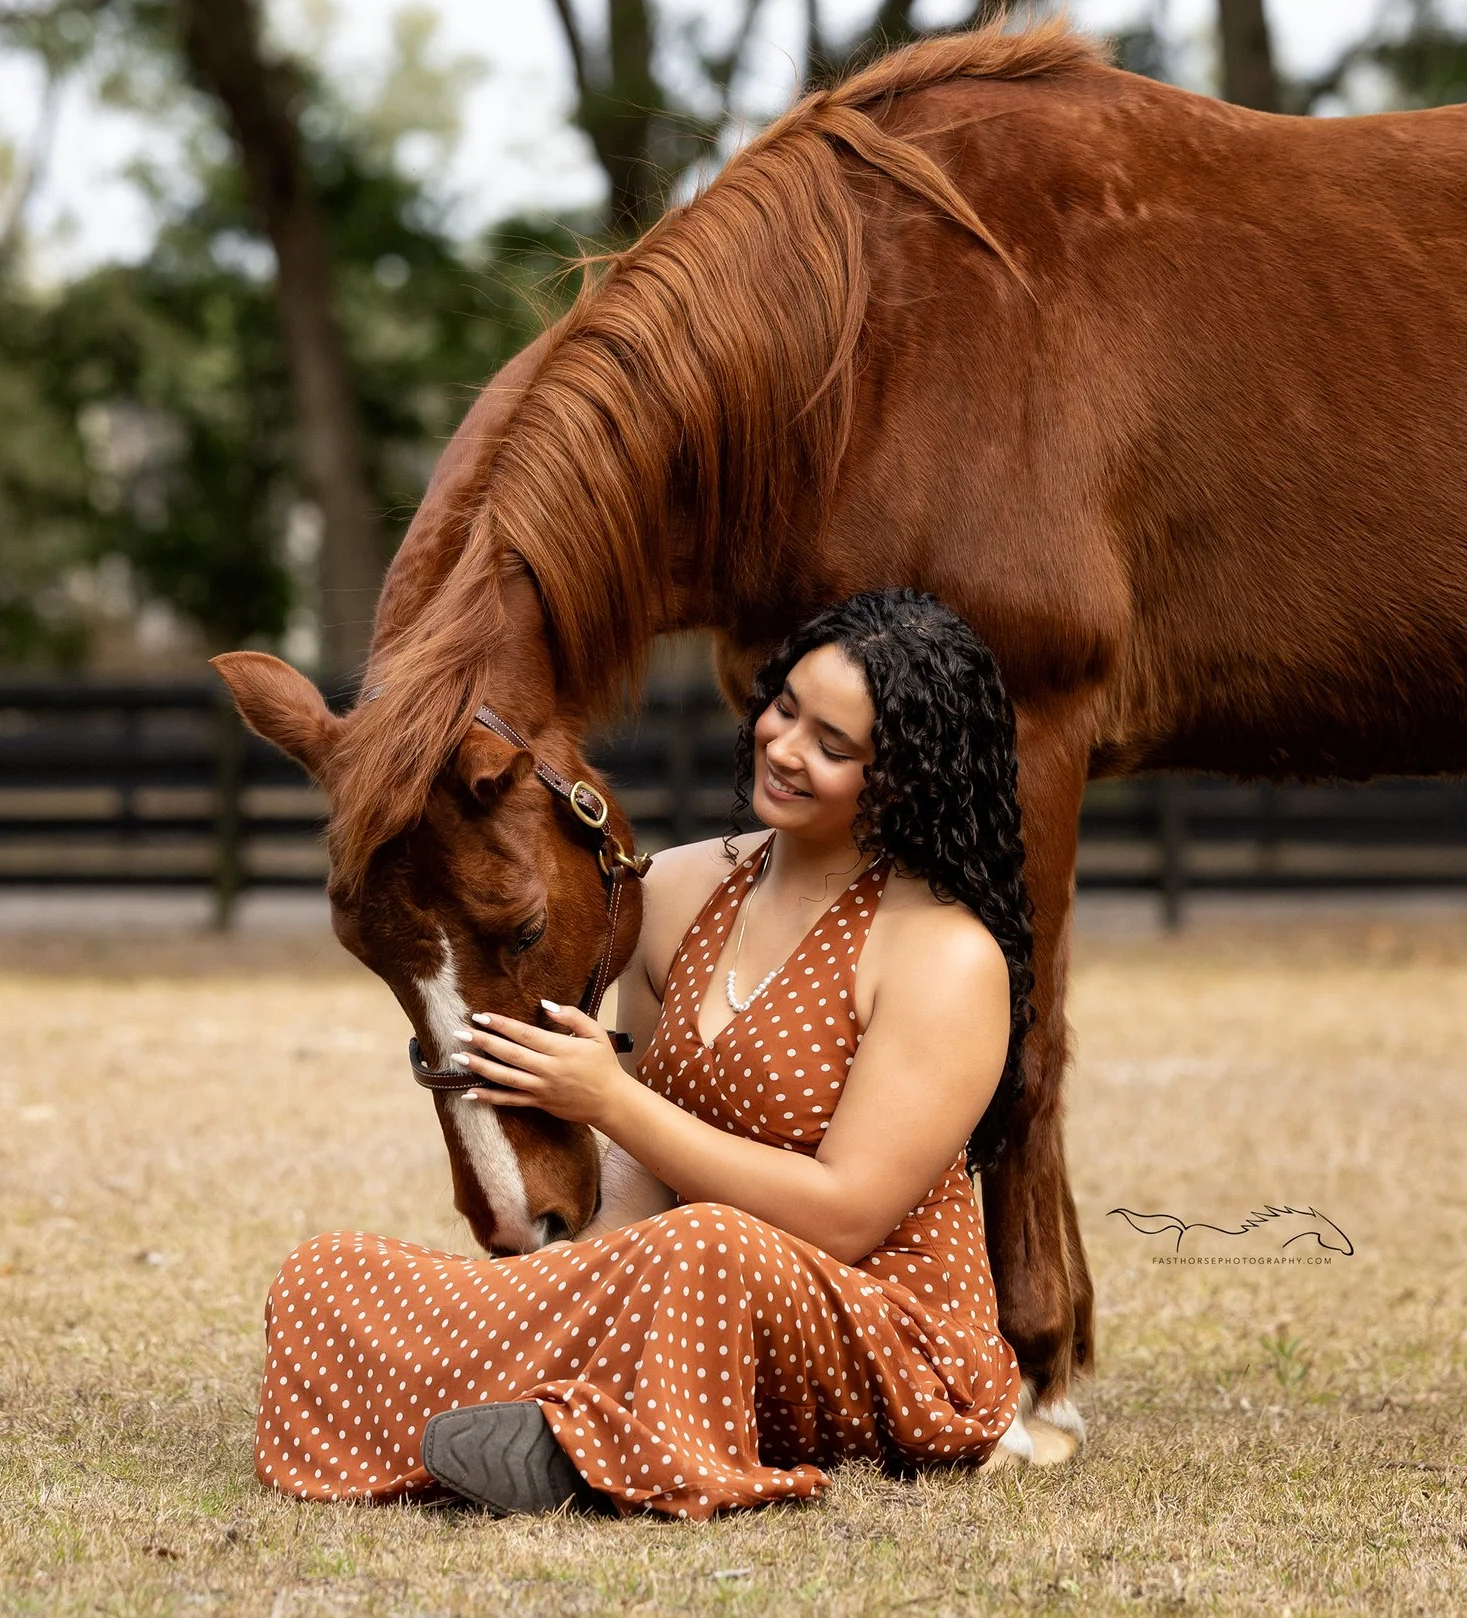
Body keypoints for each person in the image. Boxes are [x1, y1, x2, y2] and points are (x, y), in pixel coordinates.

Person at [257, 589, 1033, 1519]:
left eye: (833, 746)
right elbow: (634, 1199)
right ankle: (552, 1422)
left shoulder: (944, 954)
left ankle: (578, 1434)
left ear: (905, 780)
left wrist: (612, 1102)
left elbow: (844, 1217)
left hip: (887, 1338)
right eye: (784, 708)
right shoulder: (676, 889)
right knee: (330, 1273)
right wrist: (567, 1286)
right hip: (685, 1290)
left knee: (706, 1244)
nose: (784, 748)